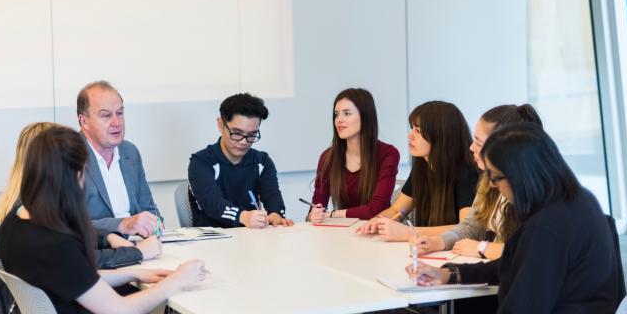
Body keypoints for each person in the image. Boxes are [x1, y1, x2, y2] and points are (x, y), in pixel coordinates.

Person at [0, 126, 221, 314]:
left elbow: (75, 278)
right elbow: (121, 313)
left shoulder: (15, 223)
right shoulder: (55, 245)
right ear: (75, 175)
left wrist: (133, 273)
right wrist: (176, 280)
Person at [411, 123, 622, 314]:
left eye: (495, 176)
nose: (491, 184)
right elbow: (515, 262)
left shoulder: (546, 228)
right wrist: (449, 274)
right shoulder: (577, 200)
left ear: (521, 175)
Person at [0, 122, 160, 314]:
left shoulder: (15, 217)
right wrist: (146, 260)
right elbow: (79, 265)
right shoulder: (49, 240)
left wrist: (131, 269)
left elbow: (73, 272)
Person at [416, 104, 543, 260]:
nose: (471, 147)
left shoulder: (535, 193)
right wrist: (438, 242)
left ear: (504, 147)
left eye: (478, 142)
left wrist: (483, 248)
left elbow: (532, 252)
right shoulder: (488, 179)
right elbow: (473, 226)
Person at [356, 100, 477, 240]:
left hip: (455, 253)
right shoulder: (423, 166)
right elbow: (397, 210)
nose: (410, 135)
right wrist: (376, 221)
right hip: (427, 248)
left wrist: (409, 232)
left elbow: (465, 229)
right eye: (412, 128)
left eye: (418, 131)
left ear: (441, 136)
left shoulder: (468, 172)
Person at [188, 93, 293, 228]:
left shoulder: (262, 162)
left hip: (251, 239)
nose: (244, 142)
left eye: (252, 135)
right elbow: (212, 203)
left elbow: (273, 196)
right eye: (237, 133)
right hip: (213, 240)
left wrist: (275, 214)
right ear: (221, 125)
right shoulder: (201, 162)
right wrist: (243, 216)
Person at [78, 80, 161, 237]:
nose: (117, 123)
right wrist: (122, 224)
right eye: (106, 115)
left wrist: (155, 224)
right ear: (84, 121)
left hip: (140, 246)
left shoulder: (129, 152)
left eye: (120, 113)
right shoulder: (67, 155)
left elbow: (148, 207)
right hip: (97, 251)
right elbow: (66, 224)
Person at [307, 88, 399, 222]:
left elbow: (376, 209)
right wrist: (313, 215)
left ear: (365, 116)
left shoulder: (388, 154)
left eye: (347, 113)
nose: (339, 120)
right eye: (336, 114)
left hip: (376, 231)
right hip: (344, 233)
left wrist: (333, 214)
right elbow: (317, 206)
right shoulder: (328, 157)